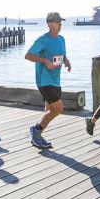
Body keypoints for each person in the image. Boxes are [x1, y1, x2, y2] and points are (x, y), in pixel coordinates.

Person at [24, 12, 71, 149]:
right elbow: (28, 55)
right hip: (44, 80)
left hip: (56, 80)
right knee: (58, 108)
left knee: (49, 109)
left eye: (61, 22)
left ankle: (37, 136)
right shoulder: (43, 40)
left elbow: (63, 55)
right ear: (50, 24)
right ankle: (36, 131)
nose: (60, 25)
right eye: (58, 22)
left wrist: (67, 61)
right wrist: (44, 60)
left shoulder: (61, 39)